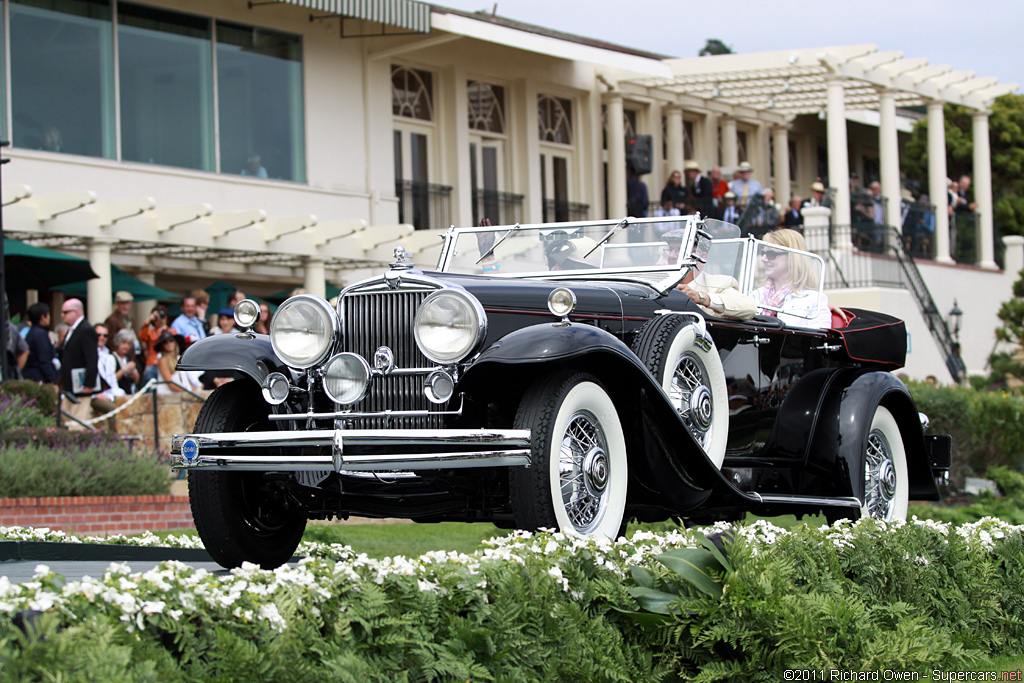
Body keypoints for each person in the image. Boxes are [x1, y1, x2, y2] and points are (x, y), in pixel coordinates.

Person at [657, 230, 756, 320]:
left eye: (680, 250)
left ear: (701, 257)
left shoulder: (719, 284)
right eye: (670, 249)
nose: (672, 256)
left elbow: (749, 307)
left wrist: (701, 297)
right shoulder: (659, 284)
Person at [751, 229, 832, 329]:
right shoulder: (755, 296)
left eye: (771, 254)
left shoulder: (814, 300)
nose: (763, 258)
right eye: (763, 253)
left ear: (792, 256)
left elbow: (818, 340)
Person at [57, 298, 98, 423]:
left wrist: (89, 383)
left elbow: (92, 358)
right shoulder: (72, 330)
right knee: (65, 417)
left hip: (81, 385)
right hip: (70, 386)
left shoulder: (86, 330)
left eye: (65, 312)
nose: (62, 315)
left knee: (78, 421)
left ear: (76, 312)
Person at [154, 330, 202, 395]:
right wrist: (187, 392)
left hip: (181, 394)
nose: (169, 343)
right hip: (168, 396)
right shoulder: (163, 360)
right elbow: (170, 384)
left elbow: (184, 380)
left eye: (171, 340)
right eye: (165, 342)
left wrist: (193, 390)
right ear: (162, 346)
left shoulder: (179, 358)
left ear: (175, 342)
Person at [91, 324, 124, 415]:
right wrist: (96, 393)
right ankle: (112, 430)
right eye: (98, 335)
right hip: (94, 395)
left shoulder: (109, 356)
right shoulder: (88, 353)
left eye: (105, 335)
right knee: (113, 410)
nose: (102, 338)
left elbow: (112, 380)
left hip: (110, 393)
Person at [22, 302, 58, 384]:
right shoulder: (40, 334)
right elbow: (44, 359)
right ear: (43, 317)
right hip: (39, 377)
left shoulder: (32, 332)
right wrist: (52, 379)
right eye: (48, 315)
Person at [138, 304, 170, 383]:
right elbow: (142, 336)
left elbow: (172, 337)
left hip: (168, 362)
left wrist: (163, 326)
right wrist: (148, 321)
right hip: (153, 363)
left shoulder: (170, 330)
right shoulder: (151, 332)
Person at [111, 329, 140, 394]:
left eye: (129, 344)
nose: (126, 346)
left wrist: (135, 374)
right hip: (117, 393)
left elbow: (136, 381)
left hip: (129, 392)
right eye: (124, 343)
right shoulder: (112, 358)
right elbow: (111, 380)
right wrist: (125, 369)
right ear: (118, 342)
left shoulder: (129, 358)